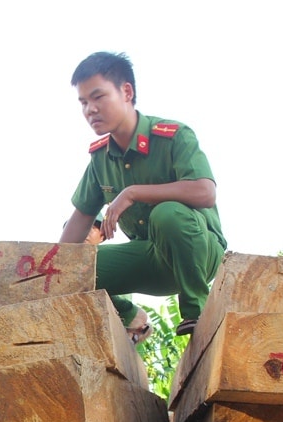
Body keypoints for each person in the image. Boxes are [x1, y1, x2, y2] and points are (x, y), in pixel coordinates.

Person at [58, 51, 227, 344]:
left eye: (98, 97)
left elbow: (205, 192)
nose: (90, 109)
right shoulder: (100, 159)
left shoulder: (174, 137)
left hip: (199, 252)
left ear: (126, 91)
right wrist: (47, 271)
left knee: (168, 213)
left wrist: (134, 193)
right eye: (83, 102)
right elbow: (78, 223)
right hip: (151, 258)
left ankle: (197, 313)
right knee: (74, 268)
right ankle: (131, 318)